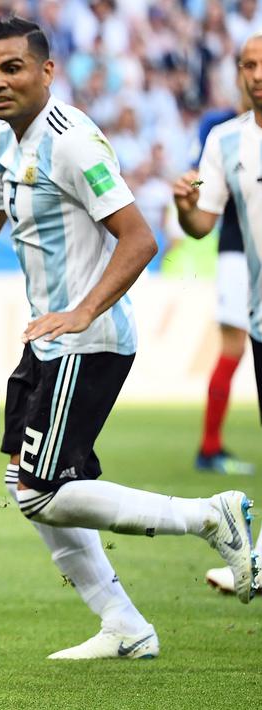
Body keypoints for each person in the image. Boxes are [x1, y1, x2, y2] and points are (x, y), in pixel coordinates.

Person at [0, 16, 255, 661]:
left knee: (43, 490)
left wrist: (81, 310)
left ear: (46, 71)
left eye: (12, 68)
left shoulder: (72, 143)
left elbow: (140, 238)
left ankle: (212, 517)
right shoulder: (7, 141)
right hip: (49, 340)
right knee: (30, 486)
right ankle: (124, 624)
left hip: (88, 339)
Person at [172, 31, 262, 598]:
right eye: (248, 64)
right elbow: (201, 223)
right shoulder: (226, 140)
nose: (256, 73)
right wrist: (184, 208)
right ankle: (209, 445)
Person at [188, 89, 255, 476]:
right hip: (236, 251)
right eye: (248, 67)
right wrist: (190, 196)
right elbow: (199, 179)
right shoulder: (220, 129)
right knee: (233, 346)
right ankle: (209, 447)